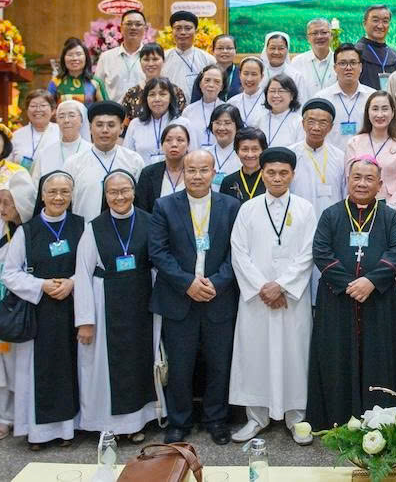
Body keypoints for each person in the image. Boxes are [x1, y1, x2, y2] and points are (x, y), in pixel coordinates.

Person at [306, 158, 396, 428]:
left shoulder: (389, 216)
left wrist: (371, 281)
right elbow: (321, 252)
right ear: (347, 181)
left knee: (379, 359)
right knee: (337, 359)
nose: (362, 183)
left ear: (380, 184)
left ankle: (381, 423)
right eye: (357, 177)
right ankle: (337, 421)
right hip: (338, 299)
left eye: (369, 178)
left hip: (379, 299)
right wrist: (351, 284)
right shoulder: (331, 214)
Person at [148, 150, 240, 445]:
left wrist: (217, 282)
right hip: (179, 298)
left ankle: (216, 419)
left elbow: (238, 251)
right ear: (182, 172)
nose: (197, 176)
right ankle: (179, 421)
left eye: (203, 170)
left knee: (219, 364)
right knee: (180, 365)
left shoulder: (231, 206)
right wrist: (187, 283)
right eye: (191, 170)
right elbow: (158, 252)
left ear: (214, 173)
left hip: (218, 296)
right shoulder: (164, 206)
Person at [227, 148, 317, 444]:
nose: (277, 178)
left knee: (294, 354)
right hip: (257, 299)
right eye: (271, 172)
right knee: (255, 355)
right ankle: (256, 417)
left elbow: (309, 253)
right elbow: (239, 252)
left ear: (293, 174)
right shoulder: (248, 209)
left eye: (283, 173)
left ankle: (296, 417)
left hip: (292, 298)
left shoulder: (305, 209)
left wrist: (283, 285)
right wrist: (263, 287)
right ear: (262, 174)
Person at [73, 170, 159, 442]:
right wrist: (85, 320)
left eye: (124, 191)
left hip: (142, 303)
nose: (119, 197)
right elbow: (83, 274)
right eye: (113, 192)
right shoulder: (94, 228)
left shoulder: (149, 221)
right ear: (105, 195)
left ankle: (137, 423)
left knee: (140, 362)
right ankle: (108, 425)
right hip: (105, 302)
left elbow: (159, 265)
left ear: (133, 192)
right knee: (105, 367)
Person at [1, 172, 84, 450]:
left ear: (71, 195)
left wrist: (72, 283)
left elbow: (91, 266)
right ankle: (38, 433)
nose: (58, 197)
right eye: (52, 192)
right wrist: (41, 285)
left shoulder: (81, 225)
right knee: (40, 371)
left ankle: (68, 429)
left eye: (64, 192)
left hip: (72, 307)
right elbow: (10, 273)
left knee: (70, 368)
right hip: (39, 308)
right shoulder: (27, 230)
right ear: (43, 195)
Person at [0, 170, 36, 442]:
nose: (1, 208)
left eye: (7, 203)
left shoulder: (33, 227)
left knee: (29, 363)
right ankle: (4, 416)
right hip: (1, 304)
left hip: (31, 301)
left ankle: (29, 413)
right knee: (3, 363)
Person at [345, 92, 396, 230]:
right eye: (375, 109)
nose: (379, 114)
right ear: (367, 113)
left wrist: (387, 211)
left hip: (394, 212)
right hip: (360, 213)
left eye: (385, 109)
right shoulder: (354, 143)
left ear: (393, 112)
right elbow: (350, 180)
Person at [64, 101, 145, 219]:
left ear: (121, 128)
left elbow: (141, 202)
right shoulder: (73, 163)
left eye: (111, 125)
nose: (105, 130)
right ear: (90, 128)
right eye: (99, 125)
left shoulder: (134, 161)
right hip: (85, 227)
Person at [316, 44, 376, 149]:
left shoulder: (372, 97)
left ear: (361, 67)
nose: (348, 68)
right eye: (343, 63)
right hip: (331, 157)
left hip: (365, 156)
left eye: (353, 63)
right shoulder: (322, 98)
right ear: (335, 68)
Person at [291, 100, 346, 213]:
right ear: (303, 124)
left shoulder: (340, 157)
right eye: (311, 122)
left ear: (330, 127)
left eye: (323, 123)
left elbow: (345, 193)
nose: (316, 127)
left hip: (331, 219)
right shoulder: (291, 155)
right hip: (298, 217)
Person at [135, 122, 194, 214]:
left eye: (180, 140)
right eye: (168, 140)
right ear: (162, 145)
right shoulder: (148, 173)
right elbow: (142, 210)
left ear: (188, 145)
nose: (174, 144)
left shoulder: (195, 173)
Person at [95, 9, 152, 101]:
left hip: (143, 110)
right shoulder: (106, 57)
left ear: (145, 29)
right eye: (129, 24)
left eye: (138, 24)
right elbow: (97, 86)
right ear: (121, 28)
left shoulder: (152, 58)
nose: (133, 27)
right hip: (113, 109)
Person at [123, 77, 183, 163]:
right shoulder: (135, 124)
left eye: (162, 94)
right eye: (152, 95)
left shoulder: (182, 123)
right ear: (146, 99)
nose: (157, 99)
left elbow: (191, 155)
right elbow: (127, 158)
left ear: (171, 98)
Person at [122, 43, 187, 120]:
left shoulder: (176, 92)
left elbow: (182, 121)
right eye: (146, 59)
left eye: (155, 59)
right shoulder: (131, 94)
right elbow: (126, 123)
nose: (151, 64)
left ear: (163, 61)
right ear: (140, 62)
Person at [30, 99, 90, 180]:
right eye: (61, 116)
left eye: (71, 116)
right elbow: (36, 184)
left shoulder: (90, 151)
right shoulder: (45, 153)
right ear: (57, 121)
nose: (66, 120)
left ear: (82, 120)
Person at [161, 10, 216, 97]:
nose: (183, 32)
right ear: (172, 31)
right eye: (178, 28)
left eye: (188, 28)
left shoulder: (208, 59)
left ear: (196, 31)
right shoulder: (163, 58)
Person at [48, 37, 110, 104]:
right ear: (63, 59)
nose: (74, 58)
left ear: (86, 57)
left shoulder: (96, 82)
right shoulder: (55, 82)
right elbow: (49, 107)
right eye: (70, 55)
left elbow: (106, 107)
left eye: (79, 54)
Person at [355, 5, 396, 90]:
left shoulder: (395, 56)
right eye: (375, 20)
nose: (380, 26)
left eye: (385, 21)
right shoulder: (356, 53)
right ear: (364, 23)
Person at [290, 18, 337, 103]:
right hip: (305, 110)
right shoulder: (297, 62)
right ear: (308, 38)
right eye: (314, 33)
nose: (319, 36)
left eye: (324, 32)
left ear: (331, 35)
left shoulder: (338, 60)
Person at [181, 64, 229, 146]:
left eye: (217, 81)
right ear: (200, 84)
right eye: (207, 80)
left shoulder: (228, 110)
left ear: (222, 87)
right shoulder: (188, 111)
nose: (211, 85)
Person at [254, 74, 305, 149]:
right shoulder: (260, 120)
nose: (276, 95)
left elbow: (300, 149)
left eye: (281, 91)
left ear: (292, 95)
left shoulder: (299, 122)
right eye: (272, 91)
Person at [219, 127, 268, 204]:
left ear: (263, 150)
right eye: (245, 149)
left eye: (255, 149)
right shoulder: (228, 182)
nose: (250, 154)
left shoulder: (271, 180)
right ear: (237, 151)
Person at [12, 91, 57, 171]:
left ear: (53, 110)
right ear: (27, 110)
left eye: (43, 105)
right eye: (33, 106)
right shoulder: (16, 135)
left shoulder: (60, 132)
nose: (38, 109)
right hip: (22, 178)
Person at [227, 56, 266, 127]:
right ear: (239, 75)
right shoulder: (232, 102)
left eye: (254, 74)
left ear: (262, 76)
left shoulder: (268, 101)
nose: (249, 79)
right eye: (246, 73)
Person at [207, 34, 242, 100]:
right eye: (220, 48)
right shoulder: (205, 74)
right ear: (212, 51)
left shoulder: (242, 74)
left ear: (235, 51)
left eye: (229, 48)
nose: (225, 51)